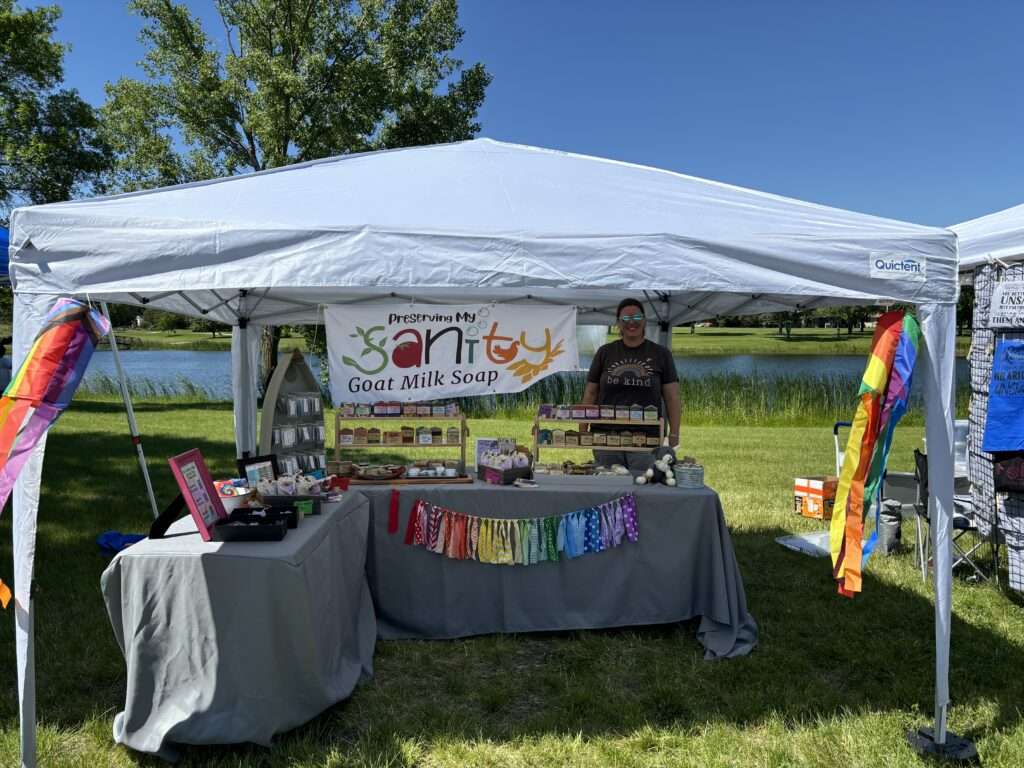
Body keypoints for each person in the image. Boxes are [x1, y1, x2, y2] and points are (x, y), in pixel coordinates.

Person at [582, 299, 681, 471]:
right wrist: (582, 429)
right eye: (625, 319)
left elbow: (672, 398)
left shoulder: (661, 354)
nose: (631, 322)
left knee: (645, 485)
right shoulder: (604, 352)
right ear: (618, 323)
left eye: (636, 317)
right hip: (605, 437)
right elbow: (590, 393)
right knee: (609, 486)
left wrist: (674, 433)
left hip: (646, 439)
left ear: (644, 320)